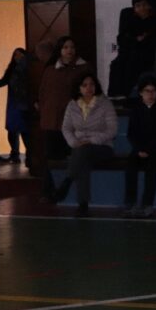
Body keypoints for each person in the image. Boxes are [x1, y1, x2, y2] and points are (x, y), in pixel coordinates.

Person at [37, 36, 89, 197]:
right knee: (51, 157)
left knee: (75, 157)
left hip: (74, 121)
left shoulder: (84, 68)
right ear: (59, 50)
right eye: (65, 47)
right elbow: (43, 93)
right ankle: (48, 191)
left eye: (71, 47)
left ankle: (70, 192)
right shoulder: (51, 70)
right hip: (52, 120)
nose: (69, 50)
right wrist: (44, 110)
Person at [59, 74, 117, 218]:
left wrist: (92, 140)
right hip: (80, 147)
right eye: (84, 85)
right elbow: (66, 128)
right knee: (82, 159)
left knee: (81, 154)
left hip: (102, 147)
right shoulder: (72, 105)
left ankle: (67, 180)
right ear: (79, 88)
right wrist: (74, 142)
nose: (88, 88)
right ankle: (83, 205)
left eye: (91, 84)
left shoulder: (105, 104)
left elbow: (112, 130)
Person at [122, 75, 156, 218]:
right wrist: (139, 149)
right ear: (141, 93)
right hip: (139, 148)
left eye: (153, 91)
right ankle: (130, 202)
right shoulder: (136, 110)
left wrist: (149, 150)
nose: (151, 94)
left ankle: (148, 203)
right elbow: (131, 133)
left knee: (151, 168)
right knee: (130, 166)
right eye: (147, 91)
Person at [0, 48, 32, 164]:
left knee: (25, 130)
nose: (17, 57)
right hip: (13, 104)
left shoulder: (28, 69)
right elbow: (2, 82)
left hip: (23, 104)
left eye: (20, 55)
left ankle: (30, 155)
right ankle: (15, 155)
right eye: (15, 55)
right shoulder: (12, 70)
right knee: (12, 130)